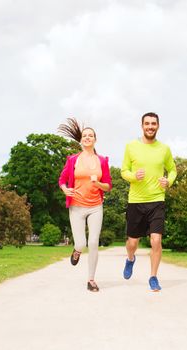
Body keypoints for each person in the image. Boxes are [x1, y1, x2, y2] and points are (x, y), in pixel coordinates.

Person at [121, 112, 177, 291]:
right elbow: (123, 171)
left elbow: (173, 170)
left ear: (158, 126)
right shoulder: (131, 147)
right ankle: (130, 259)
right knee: (132, 243)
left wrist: (168, 181)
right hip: (136, 201)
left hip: (157, 200)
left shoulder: (164, 149)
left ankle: (153, 277)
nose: (150, 127)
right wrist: (133, 176)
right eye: (147, 124)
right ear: (142, 125)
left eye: (153, 124)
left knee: (156, 240)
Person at [58, 118, 112, 292]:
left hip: (96, 206)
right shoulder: (73, 160)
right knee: (81, 243)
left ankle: (91, 279)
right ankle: (76, 250)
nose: (87, 138)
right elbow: (62, 180)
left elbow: (108, 186)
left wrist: (98, 185)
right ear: (81, 140)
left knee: (94, 242)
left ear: (95, 140)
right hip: (77, 206)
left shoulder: (102, 161)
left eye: (91, 135)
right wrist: (65, 189)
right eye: (85, 135)